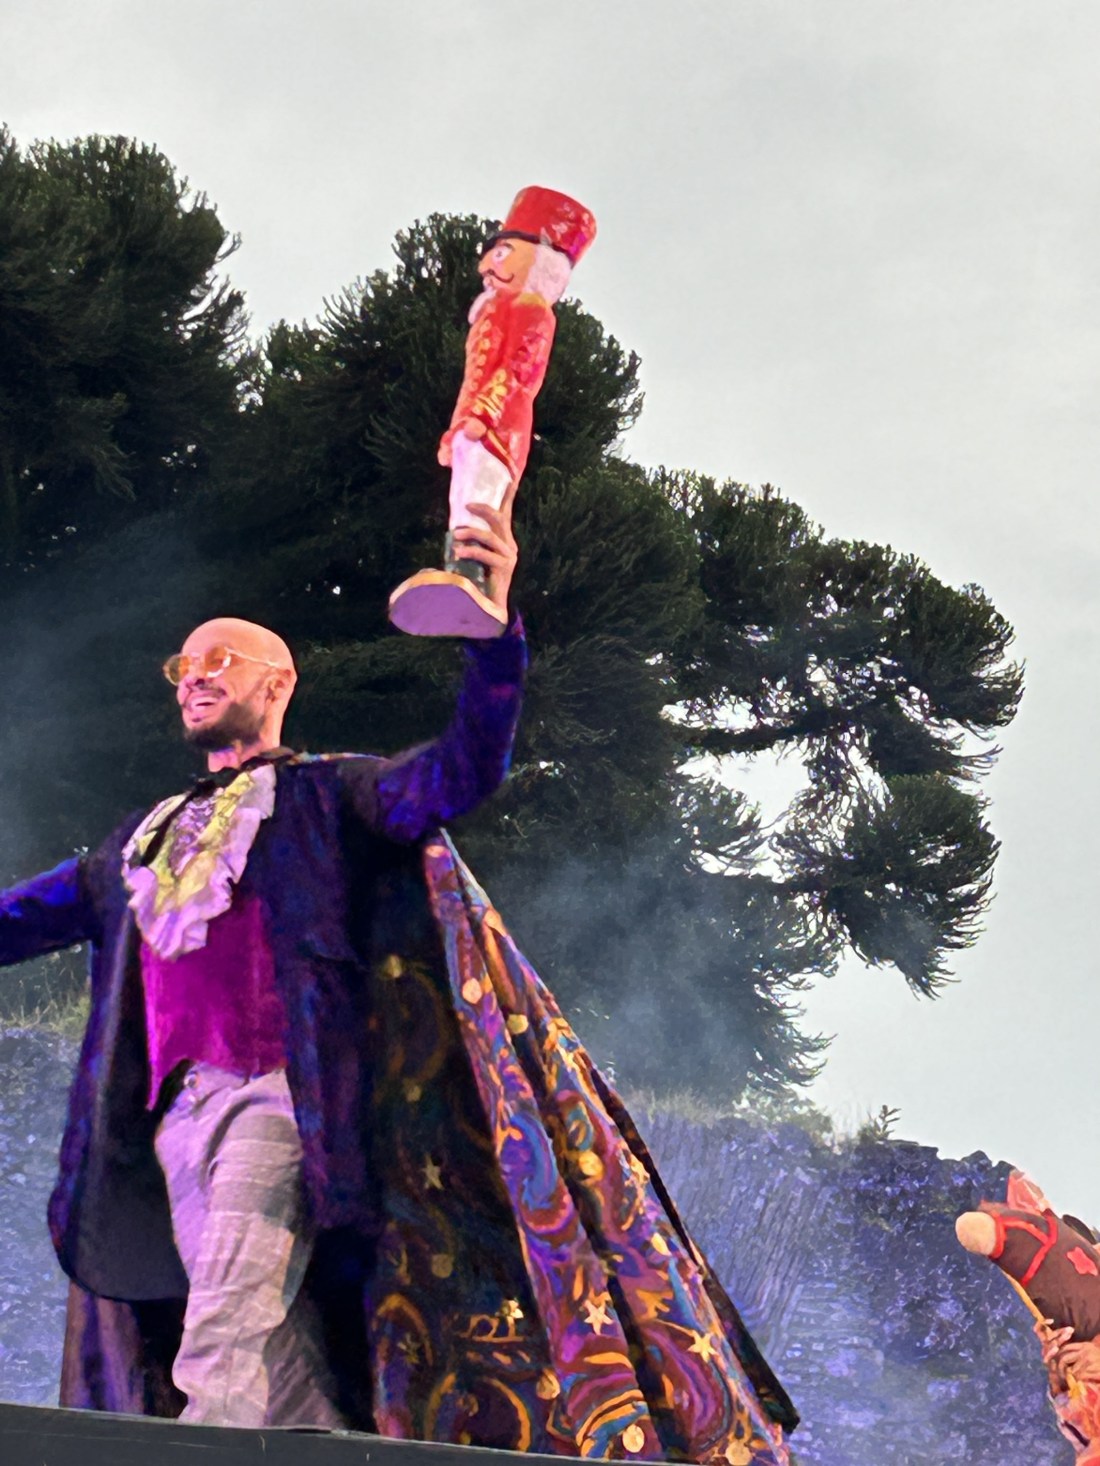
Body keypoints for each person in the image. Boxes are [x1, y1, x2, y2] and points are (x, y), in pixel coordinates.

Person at [0, 505, 797, 1463]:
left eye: (219, 659)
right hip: (174, 1117)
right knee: (275, 1352)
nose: (196, 676)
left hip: (275, 1097)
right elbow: (18, 919)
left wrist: (494, 639)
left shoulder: (327, 794)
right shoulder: (139, 842)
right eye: (184, 666)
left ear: (278, 682)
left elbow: (463, 770)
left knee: (225, 1316)